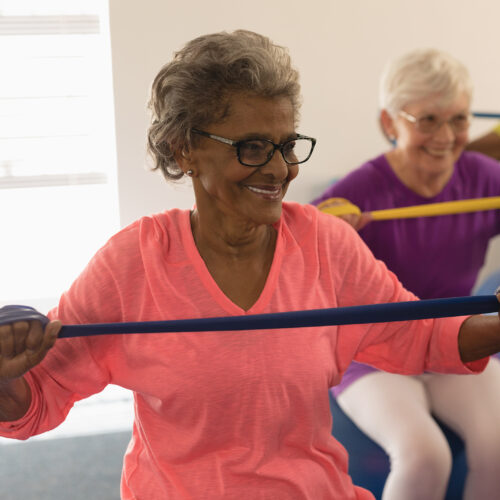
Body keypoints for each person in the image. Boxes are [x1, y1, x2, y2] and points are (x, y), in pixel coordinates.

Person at [0, 32, 499, 500]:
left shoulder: (324, 243)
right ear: (185, 149)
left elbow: (421, 334)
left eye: (285, 145)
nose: (281, 169)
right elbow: (37, 400)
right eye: (253, 147)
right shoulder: (132, 263)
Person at [312, 48, 500, 500]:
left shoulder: (485, 178)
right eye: (427, 120)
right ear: (389, 123)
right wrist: (325, 236)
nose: (447, 136)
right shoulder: (356, 193)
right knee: (423, 455)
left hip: (455, 338)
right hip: (374, 353)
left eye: (459, 120)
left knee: (498, 447)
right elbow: (295, 267)